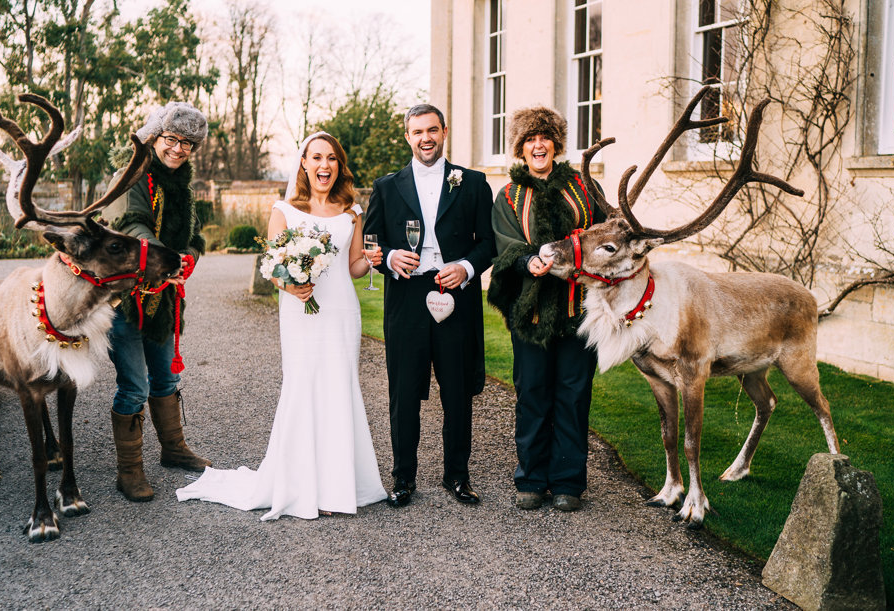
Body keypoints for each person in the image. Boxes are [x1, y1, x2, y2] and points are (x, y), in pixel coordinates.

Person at [176, 132, 388, 520]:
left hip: (342, 310)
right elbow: (273, 270)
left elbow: (353, 266)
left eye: (332, 159)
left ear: (339, 165)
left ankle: (340, 487)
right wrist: (294, 286)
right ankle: (300, 484)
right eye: (316, 158)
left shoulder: (352, 211)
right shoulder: (284, 211)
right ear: (304, 164)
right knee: (304, 386)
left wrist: (371, 260)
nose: (324, 166)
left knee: (340, 386)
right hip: (300, 311)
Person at [364, 104, 494, 507]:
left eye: (432, 130)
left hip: (455, 297)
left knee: (456, 392)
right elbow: (371, 242)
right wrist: (388, 258)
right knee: (403, 392)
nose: (425, 138)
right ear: (407, 136)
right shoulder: (387, 187)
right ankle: (403, 478)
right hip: (406, 299)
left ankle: (458, 476)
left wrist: (466, 268)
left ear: (445, 131)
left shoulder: (472, 183)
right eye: (417, 132)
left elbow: (488, 243)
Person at [487, 106, 607, 512]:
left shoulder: (584, 187)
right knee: (533, 394)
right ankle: (532, 479)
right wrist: (526, 262)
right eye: (529, 140)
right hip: (531, 313)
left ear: (556, 143)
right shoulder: (508, 196)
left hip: (580, 309)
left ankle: (568, 484)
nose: (538, 145)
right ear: (520, 148)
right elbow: (505, 244)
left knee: (574, 395)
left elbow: (605, 232)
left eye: (545, 137)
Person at [106, 101, 211, 502]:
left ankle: (173, 449)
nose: (178, 149)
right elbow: (130, 226)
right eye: (172, 139)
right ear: (156, 137)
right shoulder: (133, 175)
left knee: (166, 380)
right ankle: (129, 471)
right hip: (126, 299)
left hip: (164, 300)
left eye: (187, 144)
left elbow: (195, 239)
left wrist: (188, 259)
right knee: (133, 386)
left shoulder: (181, 187)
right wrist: (165, 259)